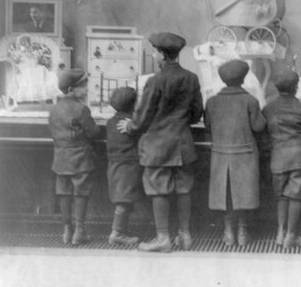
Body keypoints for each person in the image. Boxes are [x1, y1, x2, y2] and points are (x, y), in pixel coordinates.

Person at [117, 32, 203, 252]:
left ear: (162, 55)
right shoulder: (191, 78)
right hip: (182, 144)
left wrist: (130, 126)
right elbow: (195, 115)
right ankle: (185, 236)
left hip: (157, 146)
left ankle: (163, 238)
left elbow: (142, 117)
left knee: (158, 189)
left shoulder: (155, 81)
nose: (153, 54)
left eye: (155, 51)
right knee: (184, 188)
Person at [205, 59, 266, 247]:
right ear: (244, 78)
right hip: (245, 154)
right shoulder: (251, 101)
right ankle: (242, 232)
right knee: (243, 195)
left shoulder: (212, 101)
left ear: (223, 79)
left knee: (226, 195)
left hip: (220, 154)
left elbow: (208, 126)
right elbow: (258, 126)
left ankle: (228, 232)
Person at [262, 67, 301, 249]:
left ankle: (280, 232)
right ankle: (291, 235)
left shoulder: (269, 108)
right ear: (296, 87)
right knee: (295, 196)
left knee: (281, 196)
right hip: (299, 157)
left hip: (278, 157)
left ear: (276, 87)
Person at [48, 69, 99, 245]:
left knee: (63, 193)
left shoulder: (54, 109)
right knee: (81, 194)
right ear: (71, 90)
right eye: (83, 86)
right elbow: (93, 133)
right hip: (80, 159)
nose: (86, 89)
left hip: (60, 158)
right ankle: (80, 231)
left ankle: (66, 231)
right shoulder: (82, 109)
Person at [106, 87, 143, 246]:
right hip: (127, 166)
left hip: (114, 165)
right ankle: (117, 234)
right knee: (124, 200)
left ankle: (121, 231)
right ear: (133, 104)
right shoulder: (130, 123)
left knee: (122, 199)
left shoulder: (111, 121)